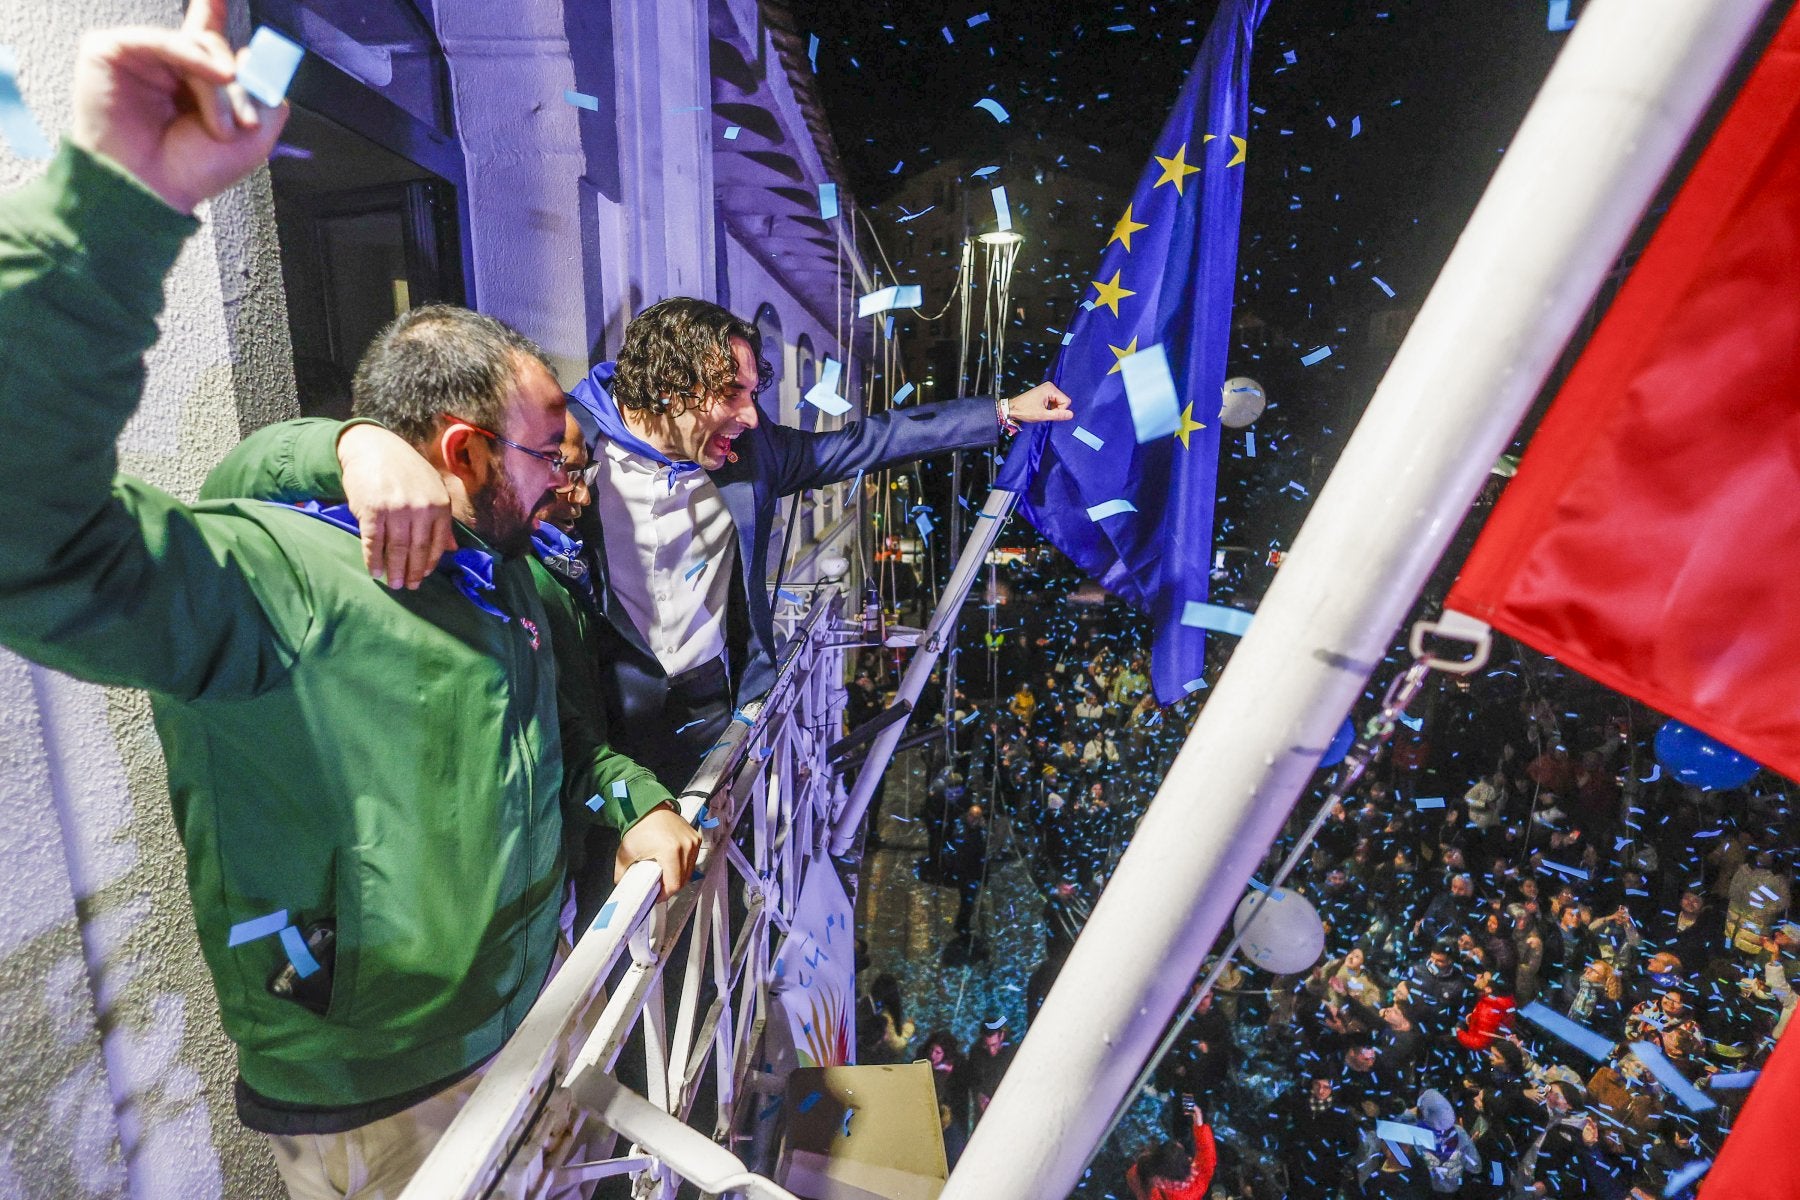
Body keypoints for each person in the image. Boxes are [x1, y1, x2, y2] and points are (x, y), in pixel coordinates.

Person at [0, 7, 700, 1197]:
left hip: (523, 1035)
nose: (569, 481)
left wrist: (632, 801)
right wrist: (113, 204)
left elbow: (557, 743)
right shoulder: (272, 581)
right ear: (468, 449)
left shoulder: (514, 586)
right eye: (550, 456)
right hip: (381, 1107)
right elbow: (30, 541)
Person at [562, 298, 1075, 791]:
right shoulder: (565, 445)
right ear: (670, 387)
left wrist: (1004, 411)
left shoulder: (754, 453)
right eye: (730, 394)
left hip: (709, 703)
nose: (751, 418)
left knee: (714, 850)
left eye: (752, 394)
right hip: (607, 711)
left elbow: (867, 440)